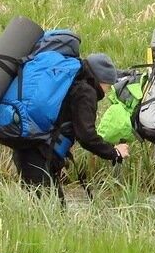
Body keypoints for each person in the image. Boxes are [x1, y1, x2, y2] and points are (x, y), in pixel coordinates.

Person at [11, 53, 129, 198]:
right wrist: (113, 152)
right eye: (109, 85)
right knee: (49, 211)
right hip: (38, 152)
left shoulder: (73, 83)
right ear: (100, 80)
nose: (108, 90)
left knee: (49, 209)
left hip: (31, 147)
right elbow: (86, 136)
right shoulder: (86, 92)